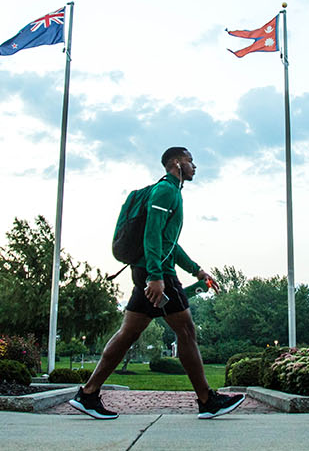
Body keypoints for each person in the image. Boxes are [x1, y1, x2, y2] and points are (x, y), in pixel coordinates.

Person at [70, 146, 244, 420]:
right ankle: (207, 400)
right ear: (176, 163)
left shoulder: (169, 192)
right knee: (186, 331)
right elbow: (152, 234)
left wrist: (197, 271)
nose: (194, 166)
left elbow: (168, 242)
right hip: (158, 273)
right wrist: (155, 275)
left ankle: (88, 394)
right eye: (190, 161)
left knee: (128, 333)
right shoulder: (165, 191)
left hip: (150, 271)